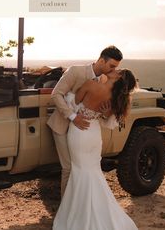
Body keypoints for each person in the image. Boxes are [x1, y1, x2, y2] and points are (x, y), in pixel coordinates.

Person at [53, 68, 138, 230]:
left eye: (117, 69)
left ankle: (79, 214)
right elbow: (109, 123)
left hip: (79, 132)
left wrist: (75, 98)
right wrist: (104, 113)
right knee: (93, 171)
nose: (114, 70)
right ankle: (100, 212)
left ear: (119, 76)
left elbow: (73, 102)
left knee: (79, 170)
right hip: (94, 134)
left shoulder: (91, 84)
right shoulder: (117, 98)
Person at [47, 45, 123, 197]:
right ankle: (67, 210)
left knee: (80, 167)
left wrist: (103, 112)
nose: (113, 70)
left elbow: (95, 109)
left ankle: (79, 205)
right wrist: (73, 117)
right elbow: (56, 94)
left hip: (83, 132)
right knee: (68, 168)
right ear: (102, 60)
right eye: (111, 66)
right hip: (62, 125)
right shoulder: (75, 71)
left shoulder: (103, 80)